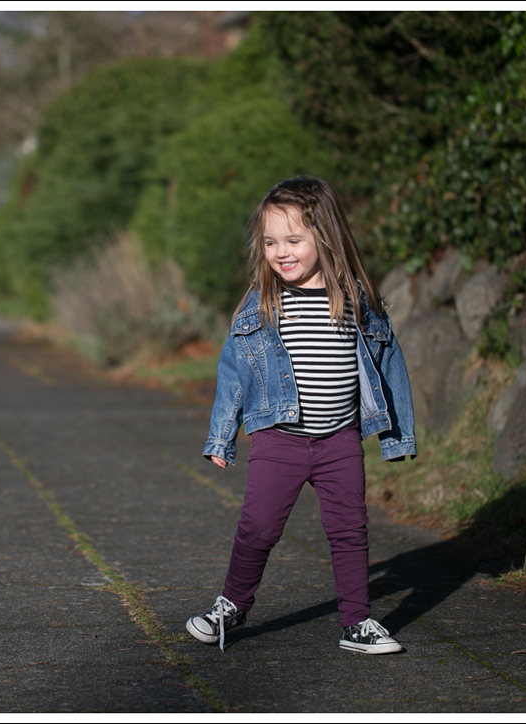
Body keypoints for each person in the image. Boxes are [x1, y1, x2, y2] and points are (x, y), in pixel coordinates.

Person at [187, 175, 416, 654]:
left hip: (339, 440)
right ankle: (231, 605)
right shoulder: (263, 302)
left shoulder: (356, 301)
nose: (280, 251)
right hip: (279, 437)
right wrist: (221, 437)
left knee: (349, 530)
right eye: (271, 241)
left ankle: (357, 621)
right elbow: (234, 372)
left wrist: (395, 436)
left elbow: (387, 362)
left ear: (325, 237)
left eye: (294, 240)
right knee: (259, 526)